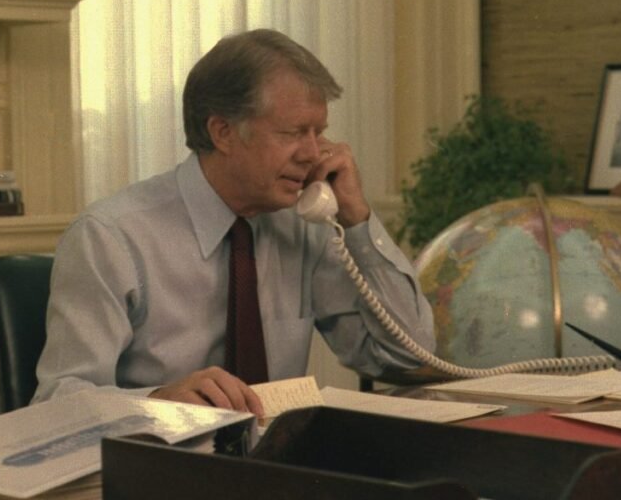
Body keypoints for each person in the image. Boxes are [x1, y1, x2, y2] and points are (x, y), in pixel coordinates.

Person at [31, 29, 436, 416]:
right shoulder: (110, 237)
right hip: (158, 456)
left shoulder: (305, 226)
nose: (314, 154)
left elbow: (406, 357)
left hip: (275, 458)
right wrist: (156, 401)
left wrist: (358, 221)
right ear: (223, 132)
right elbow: (57, 401)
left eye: (319, 133)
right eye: (294, 133)